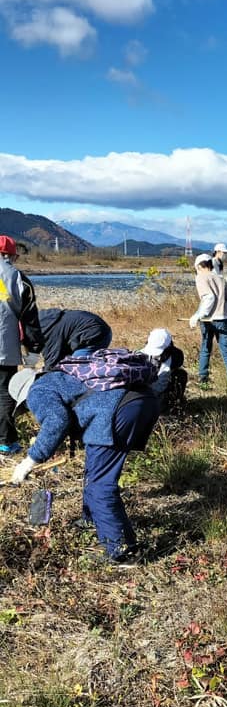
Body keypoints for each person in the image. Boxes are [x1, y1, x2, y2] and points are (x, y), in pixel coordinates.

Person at [9, 366, 160, 566]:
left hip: (117, 408)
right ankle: (90, 520)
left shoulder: (37, 390)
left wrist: (29, 461)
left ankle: (122, 551)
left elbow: (56, 421)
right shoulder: (61, 377)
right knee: (94, 472)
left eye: (26, 407)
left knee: (100, 484)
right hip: (142, 400)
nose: (29, 409)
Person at [189, 253, 227, 390]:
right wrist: (223, 312)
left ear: (199, 266)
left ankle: (203, 380)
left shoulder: (201, 277)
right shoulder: (221, 278)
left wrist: (197, 316)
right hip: (224, 320)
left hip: (208, 320)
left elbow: (208, 298)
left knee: (206, 348)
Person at [0, 235, 24, 455]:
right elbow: (25, 310)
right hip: (4, 346)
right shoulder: (12, 274)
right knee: (5, 392)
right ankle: (6, 441)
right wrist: (32, 346)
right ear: (8, 255)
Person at [39, 308, 113, 369]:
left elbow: (52, 362)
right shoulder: (45, 321)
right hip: (98, 330)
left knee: (76, 369)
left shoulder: (48, 332)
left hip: (93, 334)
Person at [142, 328, 187, 413]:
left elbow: (163, 381)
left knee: (181, 375)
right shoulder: (139, 355)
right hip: (144, 392)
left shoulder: (176, 356)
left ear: (169, 346)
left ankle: (173, 405)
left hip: (161, 390)